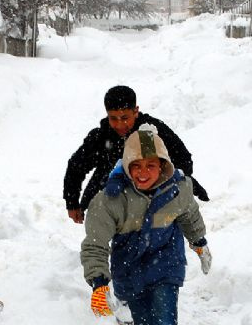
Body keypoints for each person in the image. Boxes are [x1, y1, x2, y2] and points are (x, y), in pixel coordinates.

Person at [80, 124, 212, 325]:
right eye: (136, 166)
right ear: (126, 167)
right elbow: (96, 243)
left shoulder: (177, 189)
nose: (143, 173)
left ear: (163, 165)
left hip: (166, 263)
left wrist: (200, 242)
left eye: (150, 165)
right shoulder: (109, 199)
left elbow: (190, 213)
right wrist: (99, 283)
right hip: (130, 270)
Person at [63, 85, 209, 224]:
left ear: (136, 111)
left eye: (125, 118)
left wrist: (170, 184)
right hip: (110, 194)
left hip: (151, 199)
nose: (119, 125)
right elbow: (76, 166)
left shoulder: (148, 133)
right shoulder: (102, 136)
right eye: (113, 118)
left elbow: (183, 160)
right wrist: (72, 203)